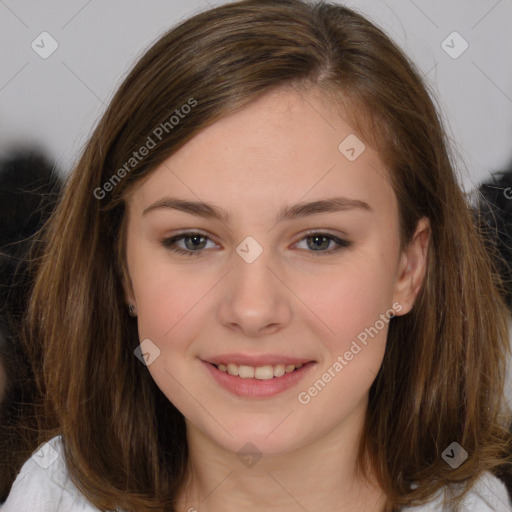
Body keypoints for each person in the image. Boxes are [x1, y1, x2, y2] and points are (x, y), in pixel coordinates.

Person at [2, 1, 512, 511]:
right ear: (123, 270)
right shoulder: (51, 497)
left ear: (408, 269)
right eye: (192, 240)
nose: (251, 310)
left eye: (319, 241)